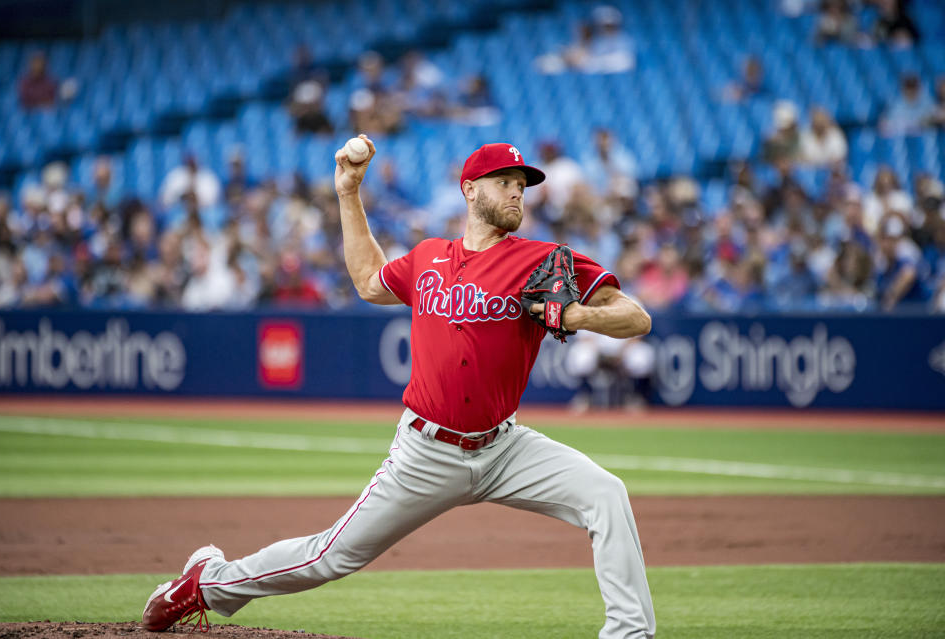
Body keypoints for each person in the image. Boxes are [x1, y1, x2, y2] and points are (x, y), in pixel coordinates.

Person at [142, 138, 656, 639]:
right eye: (504, 182)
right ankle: (207, 584)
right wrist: (348, 193)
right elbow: (368, 281)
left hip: (505, 448)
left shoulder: (542, 259)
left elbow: (635, 317)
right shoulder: (429, 256)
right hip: (426, 453)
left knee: (605, 494)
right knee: (330, 557)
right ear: (470, 190)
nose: (517, 192)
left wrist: (579, 314)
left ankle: (630, 633)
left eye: (522, 184)